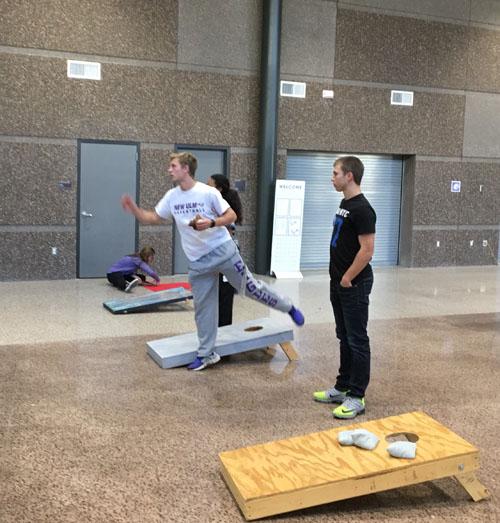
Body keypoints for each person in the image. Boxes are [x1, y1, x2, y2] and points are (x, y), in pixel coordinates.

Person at [121, 152, 304, 371]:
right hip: (198, 262)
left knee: (251, 288)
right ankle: (206, 354)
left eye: (173, 166)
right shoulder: (172, 196)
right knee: (203, 308)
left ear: (186, 169)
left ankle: (288, 306)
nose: (169, 170)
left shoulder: (207, 193)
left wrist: (211, 223)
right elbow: (152, 217)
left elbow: (232, 215)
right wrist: (135, 210)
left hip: (223, 252)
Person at [313, 156, 376, 419]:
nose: (332, 177)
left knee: (357, 340)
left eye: (335, 172)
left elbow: (367, 250)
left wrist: (348, 277)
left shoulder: (363, 209)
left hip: (354, 283)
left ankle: (357, 396)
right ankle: (342, 387)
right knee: (344, 337)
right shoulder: (344, 203)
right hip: (338, 282)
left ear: (349, 176)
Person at [207, 174, 242, 327]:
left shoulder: (226, 211)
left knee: (225, 296)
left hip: (226, 256)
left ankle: (224, 335)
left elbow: (228, 233)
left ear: (219, 189)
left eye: (210, 186)